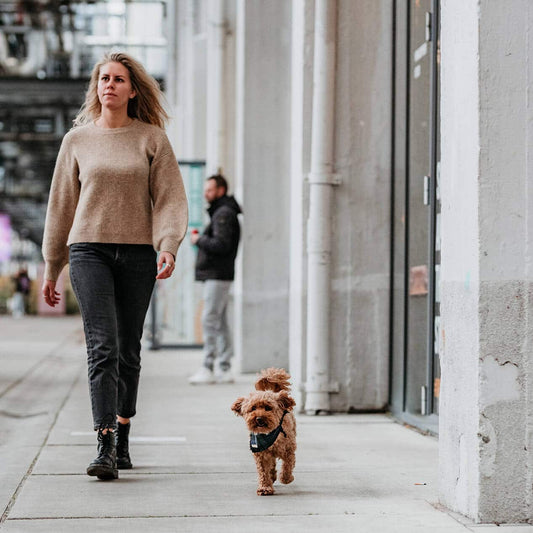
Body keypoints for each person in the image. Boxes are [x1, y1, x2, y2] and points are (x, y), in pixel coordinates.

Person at [41, 52, 188, 481]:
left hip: (138, 253)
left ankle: (123, 432)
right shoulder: (77, 141)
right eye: (104, 78)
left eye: (119, 79)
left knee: (128, 351)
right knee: (101, 347)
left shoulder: (152, 138)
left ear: (132, 89)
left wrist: (168, 245)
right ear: (97, 88)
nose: (110, 85)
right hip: (89, 251)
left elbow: (170, 198)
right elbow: (61, 205)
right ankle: (104, 443)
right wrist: (53, 265)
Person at [188, 174, 241, 385]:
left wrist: (198, 239)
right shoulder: (223, 212)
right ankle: (224, 368)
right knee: (219, 321)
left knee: (209, 320)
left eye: (209, 190)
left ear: (221, 190)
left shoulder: (223, 214)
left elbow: (221, 245)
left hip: (217, 275)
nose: (205, 194)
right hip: (220, 275)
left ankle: (208, 367)